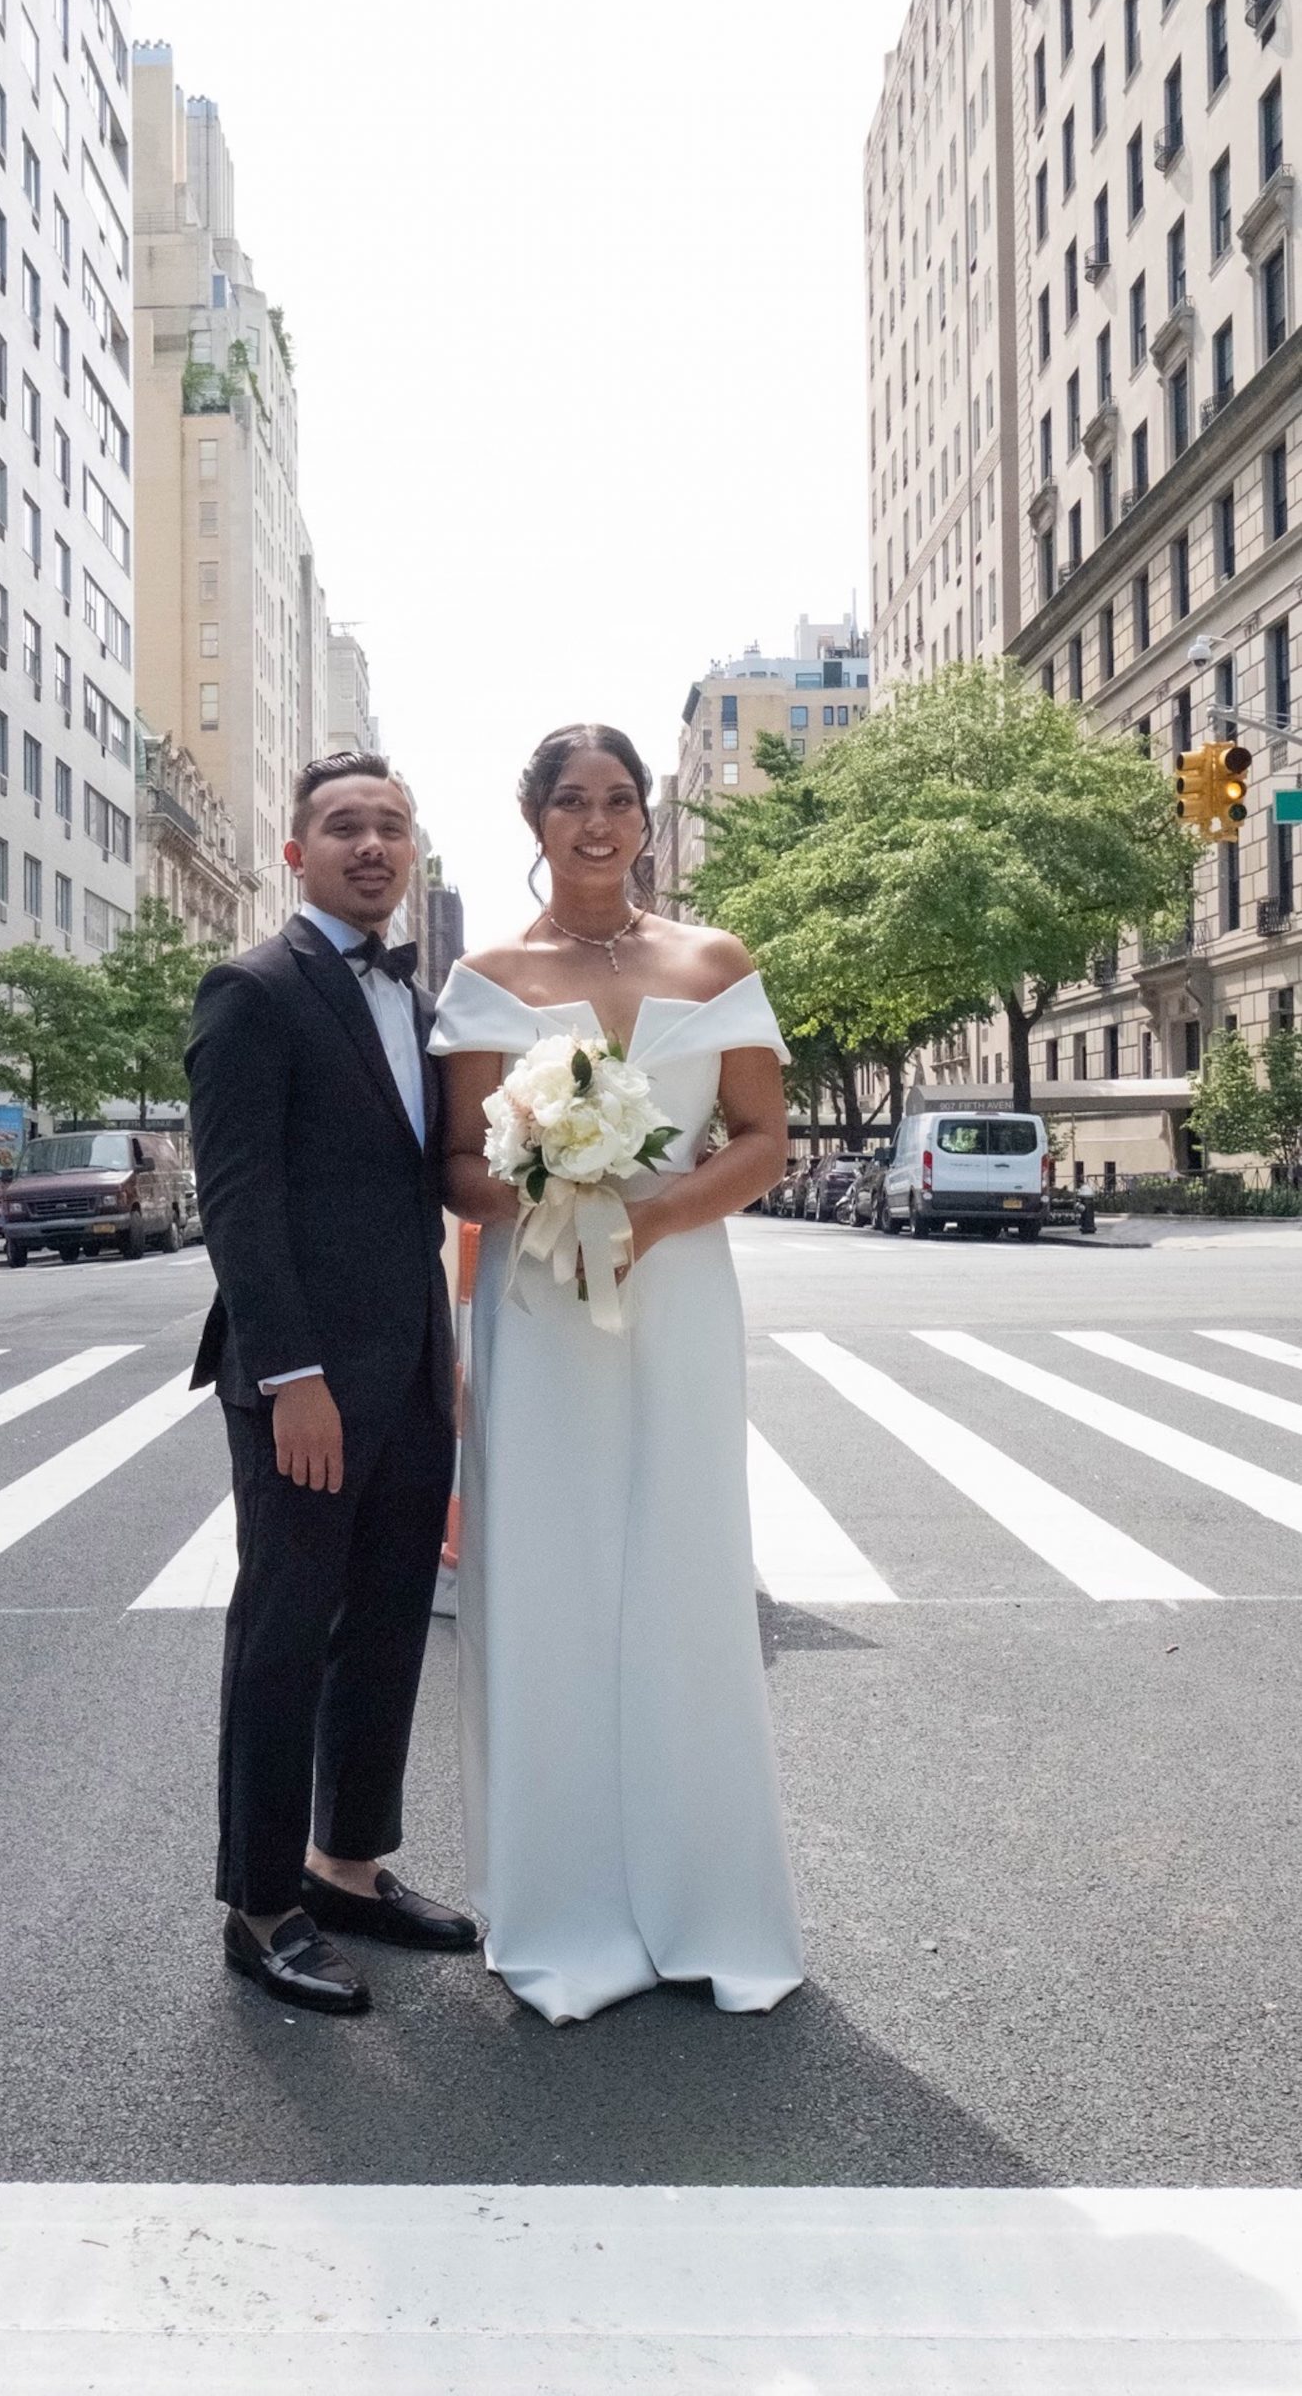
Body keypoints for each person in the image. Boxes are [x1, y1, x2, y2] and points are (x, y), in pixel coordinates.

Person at [429, 724, 804, 2025]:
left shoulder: (714, 960)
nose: (597, 823)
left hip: (679, 1292)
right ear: (533, 820)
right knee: (550, 1577)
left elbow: (761, 1139)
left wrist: (643, 1218)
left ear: (645, 817)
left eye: (619, 800)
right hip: (539, 1302)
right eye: (571, 802)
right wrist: (554, 1190)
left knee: (684, 1569)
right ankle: (565, 1907)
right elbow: (456, 1167)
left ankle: (711, 1905)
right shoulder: (485, 977)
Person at [185, 751, 479, 2016]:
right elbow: (238, 1201)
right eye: (344, 826)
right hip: (300, 1384)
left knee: (387, 1625)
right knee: (284, 1635)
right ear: (295, 852)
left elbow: (412, 1199)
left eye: (391, 827)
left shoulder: (419, 1002)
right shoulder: (253, 988)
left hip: (407, 1372)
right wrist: (290, 1375)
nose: (371, 846)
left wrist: (440, 1351)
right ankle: (261, 1906)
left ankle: (346, 1866)